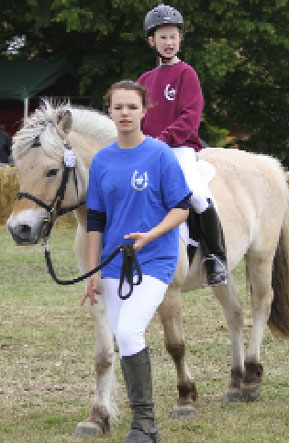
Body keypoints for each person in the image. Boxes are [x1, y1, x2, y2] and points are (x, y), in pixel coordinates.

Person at [82, 80, 191, 443]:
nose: (125, 113)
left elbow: (181, 207)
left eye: (132, 107)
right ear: (109, 112)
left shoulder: (160, 155)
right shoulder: (101, 161)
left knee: (129, 332)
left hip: (155, 259)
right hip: (113, 264)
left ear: (145, 111)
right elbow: (96, 220)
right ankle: (145, 427)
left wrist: (151, 235)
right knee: (125, 340)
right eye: (118, 107)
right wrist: (94, 271)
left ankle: (144, 425)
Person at [138, 3, 227, 286]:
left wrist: (162, 140)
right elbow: (136, 117)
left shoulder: (186, 73)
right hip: (148, 151)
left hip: (179, 148)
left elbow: (190, 116)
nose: (168, 42)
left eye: (173, 36)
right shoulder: (144, 80)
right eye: (162, 37)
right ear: (152, 40)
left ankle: (216, 257)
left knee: (197, 195)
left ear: (180, 39)